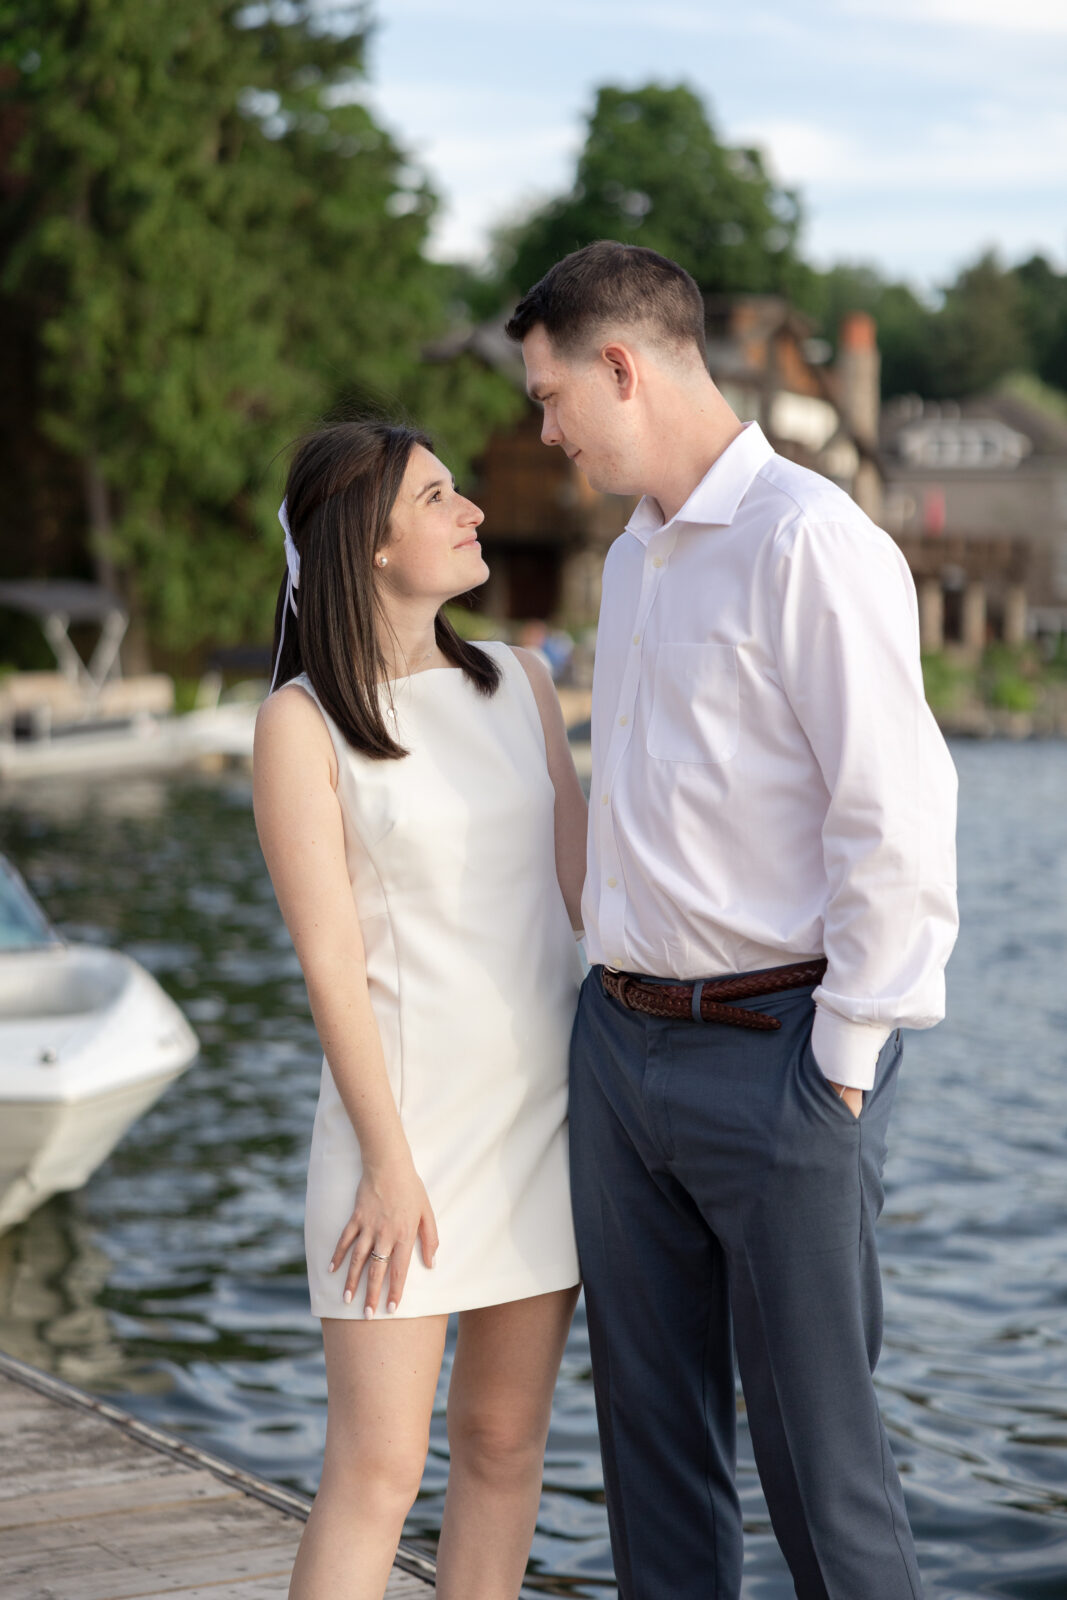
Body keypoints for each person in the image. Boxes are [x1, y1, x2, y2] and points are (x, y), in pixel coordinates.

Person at [505, 241, 958, 1600]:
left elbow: (894, 813)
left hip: (777, 1058)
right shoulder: (631, 559)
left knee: (822, 1478)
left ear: (621, 367)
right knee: (651, 1464)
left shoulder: (810, 540)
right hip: (618, 1048)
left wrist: (838, 1066)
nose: (544, 432)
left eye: (549, 398)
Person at [252, 419, 587, 1600]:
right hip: (394, 1138)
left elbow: (583, 896)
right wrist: (388, 1166)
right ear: (371, 545)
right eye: (438, 497)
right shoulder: (301, 723)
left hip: (540, 1120)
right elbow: (329, 968)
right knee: (379, 1468)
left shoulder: (521, 682)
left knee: (502, 1444)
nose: (473, 510)